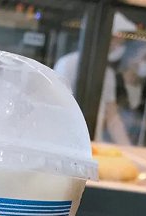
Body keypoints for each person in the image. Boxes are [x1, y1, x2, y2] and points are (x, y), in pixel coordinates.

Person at [54, 13, 137, 145]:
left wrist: (128, 148)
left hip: (91, 142)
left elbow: (112, 117)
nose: (118, 45)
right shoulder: (67, 64)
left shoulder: (107, 73)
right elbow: (57, 106)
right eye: (117, 40)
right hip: (63, 141)